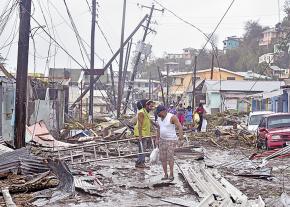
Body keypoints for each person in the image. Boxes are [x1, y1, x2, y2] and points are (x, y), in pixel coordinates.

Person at [156, 105, 183, 181]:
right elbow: (158, 128)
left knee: (170, 157)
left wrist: (181, 139)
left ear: (163, 111)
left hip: (171, 140)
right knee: (163, 158)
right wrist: (157, 139)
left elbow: (180, 127)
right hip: (162, 140)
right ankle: (165, 174)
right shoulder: (159, 118)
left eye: (159, 113)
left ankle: (171, 174)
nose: (158, 115)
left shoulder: (172, 117)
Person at [134, 99, 154, 168]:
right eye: (150, 106)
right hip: (141, 133)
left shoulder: (146, 112)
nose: (152, 108)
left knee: (143, 148)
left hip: (144, 133)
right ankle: (140, 163)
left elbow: (148, 121)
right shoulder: (141, 112)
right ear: (146, 105)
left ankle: (139, 162)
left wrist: (155, 126)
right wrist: (140, 135)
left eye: (152, 106)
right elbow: (139, 125)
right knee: (142, 148)